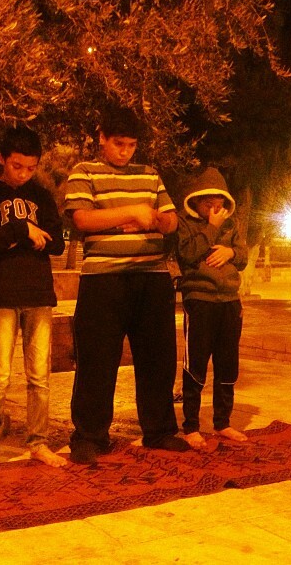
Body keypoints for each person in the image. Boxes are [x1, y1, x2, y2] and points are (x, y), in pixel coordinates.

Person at [63, 109, 189, 463]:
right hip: (103, 279)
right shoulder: (84, 172)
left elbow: (170, 219)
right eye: (119, 144)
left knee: (157, 357)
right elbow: (83, 219)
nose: (125, 152)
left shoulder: (149, 174)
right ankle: (89, 435)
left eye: (131, 145)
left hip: (152, 276)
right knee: (97, 359)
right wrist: (132, 212)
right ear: (101, 137)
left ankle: (160, 429)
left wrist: (157, 219)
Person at [0, 127, 67, 476]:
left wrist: (28, 235)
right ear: (1, 159)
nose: (23, 174)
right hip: (1, 294)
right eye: (16, 166)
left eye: (30, 167)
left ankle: (37, 441)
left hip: (38, 294)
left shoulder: (40, 193)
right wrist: (21, 230)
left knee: (39, 376)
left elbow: (57, 243)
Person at [175, 167, 248, 450]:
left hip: (230, 301)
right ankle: (191, 425)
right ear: (196, 201)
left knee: (228, 364)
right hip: (200, 300)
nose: (215, 209)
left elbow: (242, 256)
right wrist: (212, 228)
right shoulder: (186, 223)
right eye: (208, 204)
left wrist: (231, 251)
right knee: (195, 364)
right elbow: (189, 253)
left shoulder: (234, 224)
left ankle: (223, 422)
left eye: (219, 205)